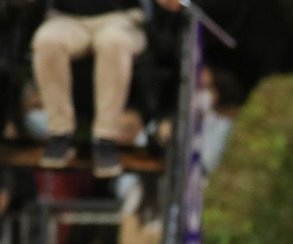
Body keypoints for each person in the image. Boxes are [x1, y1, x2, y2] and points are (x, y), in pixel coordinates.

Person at [32, 0, 184, 177]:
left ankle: (105, 139)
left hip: (122, 19)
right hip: (66, 19)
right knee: (47, 41)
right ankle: (60, 134)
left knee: (113, 42)